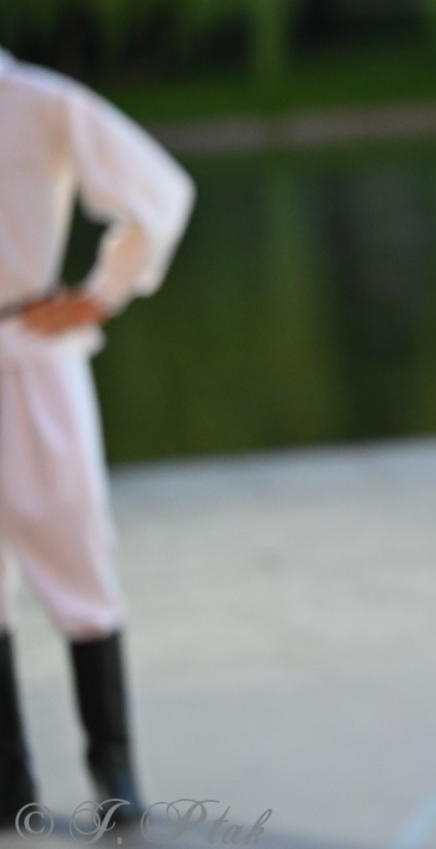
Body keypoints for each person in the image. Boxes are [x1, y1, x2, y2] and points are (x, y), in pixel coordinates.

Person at [0, 46, 195, 826]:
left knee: (75, 547)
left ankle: (113, 765)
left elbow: (156, 189)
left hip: (32, 349)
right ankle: (7, 777)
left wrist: (102, 292)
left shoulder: (39, 101)